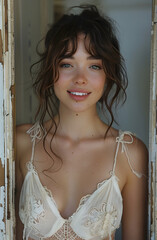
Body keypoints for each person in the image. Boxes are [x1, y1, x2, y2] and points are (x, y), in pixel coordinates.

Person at [15, 4, 148, 240]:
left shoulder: (130, 153)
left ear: (108, 74)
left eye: (94, 66)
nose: (80, 79)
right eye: (67, 64)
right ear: (51, 70)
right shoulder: (22, 142)